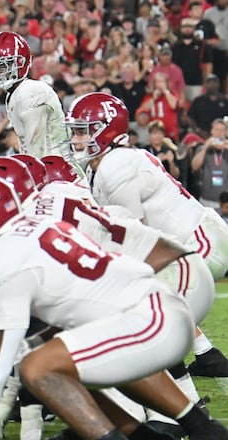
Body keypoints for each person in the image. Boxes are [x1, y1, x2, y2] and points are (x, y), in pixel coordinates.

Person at [0, 175, 227, 440]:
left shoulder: (1, 258)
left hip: (153, 315)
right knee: (57, 359)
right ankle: (199, 429)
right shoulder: (40, 227)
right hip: (157, 306)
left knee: (38, 366)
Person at [67, 92, 228, 377]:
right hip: (195, 238)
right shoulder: (107, 165)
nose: (77, 139)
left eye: (83, 131)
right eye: (76, 131)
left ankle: (171, 378)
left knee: (136, 291)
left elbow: (133, 235)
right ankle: (206, 355)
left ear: (107, 130)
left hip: (202, 241)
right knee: (147, 285)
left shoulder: (115, 165)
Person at [0, 31, 68, 158]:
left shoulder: (30, 92)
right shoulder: (15, 93)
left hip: (55, 170)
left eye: (3, 67)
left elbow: (36, 152)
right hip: (48, 167)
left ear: (21, 62)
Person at [190, 118, 228, 208]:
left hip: (225, 202)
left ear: (226, 132)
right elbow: (194, 167)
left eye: (222, 130)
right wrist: (205, 147)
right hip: (206, 200)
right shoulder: (203, 149)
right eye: (216, 130)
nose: (219, 133)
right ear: (212, 131)